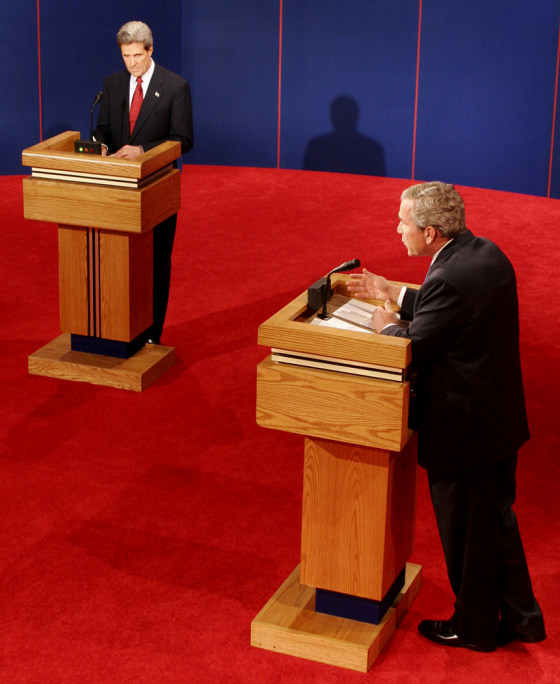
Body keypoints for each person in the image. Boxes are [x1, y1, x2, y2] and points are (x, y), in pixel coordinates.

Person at [347, 181, 545, 652]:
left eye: (404, 223)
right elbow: (455, 310)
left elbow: (415, 347)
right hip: (496, 423)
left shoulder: (448, 278)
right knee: (496, 521)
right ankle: (522, 617)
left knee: (467, 535)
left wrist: (385, 325)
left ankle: (474, 628)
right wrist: (393, 290)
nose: (398, 229)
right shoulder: (485, 254)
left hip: (463, 433)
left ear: (432, 232)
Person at [93, 20, 194, 344]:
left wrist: (142, 150)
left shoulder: (175, 86)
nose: (132, 63)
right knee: (118, 260)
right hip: (118, 189)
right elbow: (104, 130)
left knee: (155, 261)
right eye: (126, 56)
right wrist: (103, 146)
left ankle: (153, 333)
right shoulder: (112, 84)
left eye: (137, 55)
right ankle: (117, 328)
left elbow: (183, 139)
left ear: (150, 50)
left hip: (157, 187)